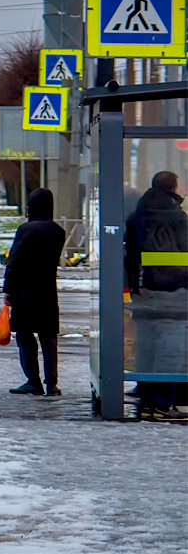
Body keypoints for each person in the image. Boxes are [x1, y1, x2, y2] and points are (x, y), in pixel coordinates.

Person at [125, 171, 188, 419]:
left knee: (147, 347)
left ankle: (147, 399)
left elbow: (129, 255)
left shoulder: (136, 216)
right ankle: (163, 405)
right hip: (174, 294)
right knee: (171, 351)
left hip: (143, 292)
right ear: (173, 187)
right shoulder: (177, 216)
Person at [3, 188, 66, 396]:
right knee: (48, 338)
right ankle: (52, 383)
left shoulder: (26, 229)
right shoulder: (58, 231)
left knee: (25, 337)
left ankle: (33, 380)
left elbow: (14, 261)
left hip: (24, 292)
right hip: (47, 291)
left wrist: (8, 290)